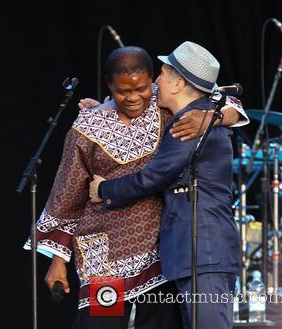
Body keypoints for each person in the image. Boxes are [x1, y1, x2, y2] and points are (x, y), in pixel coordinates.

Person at [24, 45, 247, 329]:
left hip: (159, 255)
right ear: (109, 86)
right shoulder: (89, 126)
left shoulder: (170, 106)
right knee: (102, 324)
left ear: (154, 80)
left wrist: (213, 117)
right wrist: (58, 259)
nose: (133, 97)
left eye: (141, 88)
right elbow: (68, 192)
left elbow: (227, 102)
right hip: (103, 254)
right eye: (122, 91)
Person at [90, 41, 243, 329]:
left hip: (204, 251)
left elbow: (152, 178)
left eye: (162, 74)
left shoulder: (191, 123)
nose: (157, 81)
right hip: (195, 253)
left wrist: (103, 190)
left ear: (178, 83)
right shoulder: (197, 115)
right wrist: (102, 109)